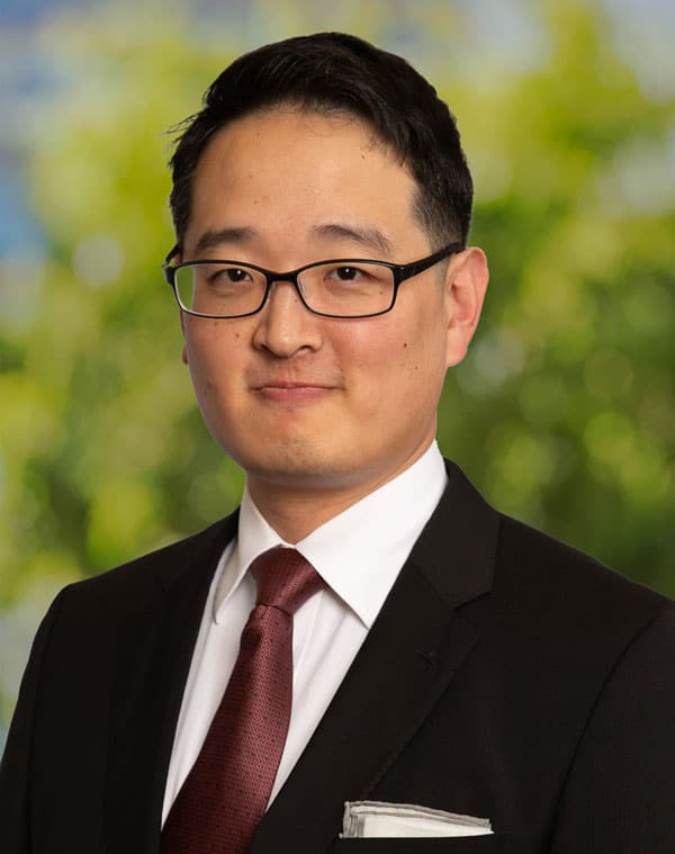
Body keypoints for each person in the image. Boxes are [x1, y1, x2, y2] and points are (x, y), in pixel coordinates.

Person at [1, 31, 673, 854]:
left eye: (347, 274)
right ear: (184, 307)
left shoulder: (616, 662)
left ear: (458, 304)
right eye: (233, 275)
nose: (283, 332)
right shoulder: (86, 640)